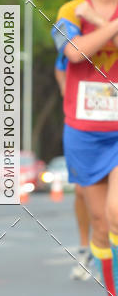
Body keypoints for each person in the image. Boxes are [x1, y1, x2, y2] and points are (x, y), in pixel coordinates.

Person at [51, 0, 118, 296]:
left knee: (116, 213)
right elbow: (73, 52)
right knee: (99, 223)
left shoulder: (84, 16)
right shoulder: (70, 9)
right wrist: (111, 27)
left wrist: (97, 26)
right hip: (84, 130)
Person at [53, 52, 95, 280]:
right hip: (85, 126)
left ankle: (106, 248)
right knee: (81, 190)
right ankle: (85, 250)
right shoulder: (75, 38)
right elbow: (61, 65)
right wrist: (65, 88)